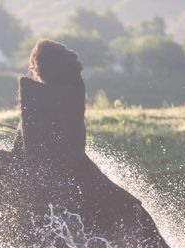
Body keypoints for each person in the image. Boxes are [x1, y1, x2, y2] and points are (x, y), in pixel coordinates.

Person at [12, 39, 141, 235]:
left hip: (62, 165)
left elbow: (39, 134)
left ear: (43, 67)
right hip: (75, 160)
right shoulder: (71, 87)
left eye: (35, 67)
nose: (34, 72)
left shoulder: (58, 92)